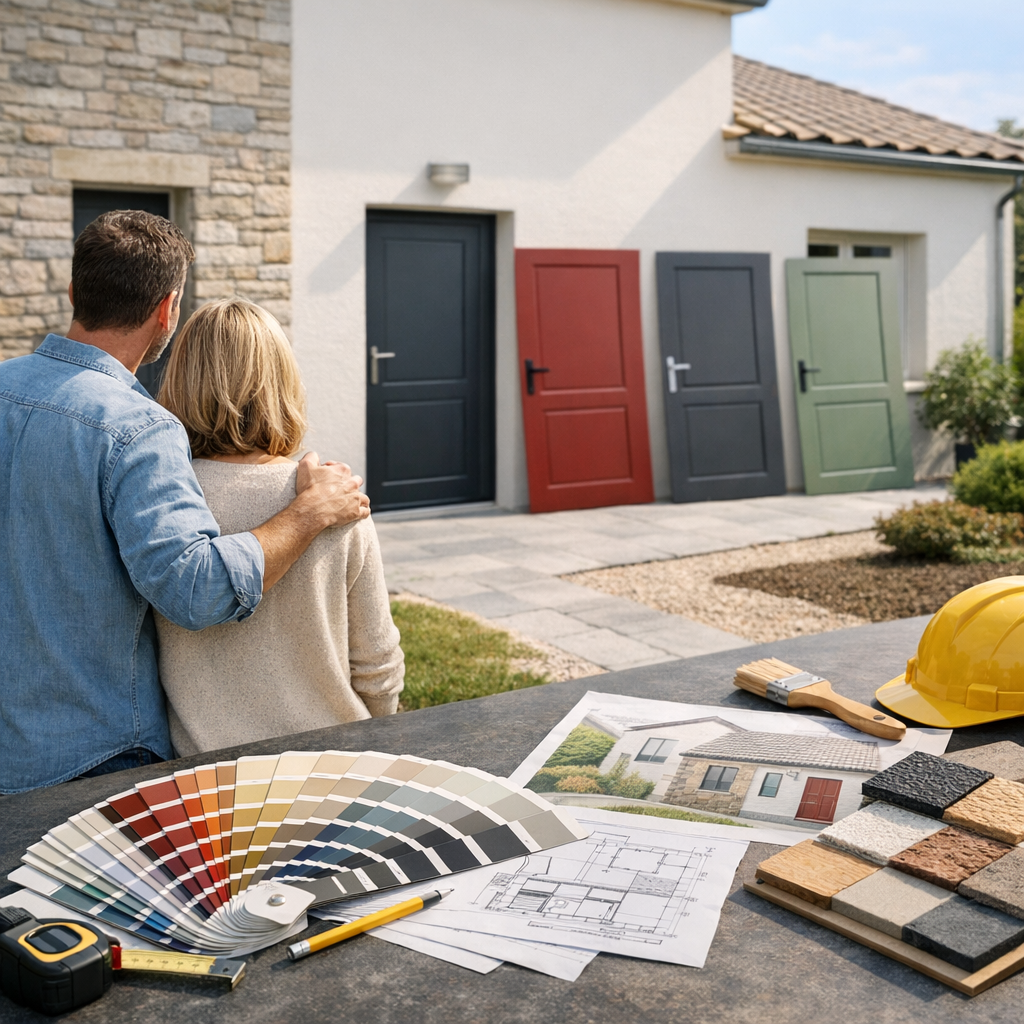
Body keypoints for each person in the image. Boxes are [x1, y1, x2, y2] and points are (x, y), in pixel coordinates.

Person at [0, 211, 369, 793]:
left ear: (73, 292)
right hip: (93, 757)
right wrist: (308, 513)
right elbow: (195, 591)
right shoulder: (136, 428)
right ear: (167, 310)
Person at [154, 298, 404, 754]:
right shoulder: (336, 499)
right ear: (282, 382)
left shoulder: (157, 505)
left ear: (180, 382)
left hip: (206, 778)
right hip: (334, 761)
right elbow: (377, 663)